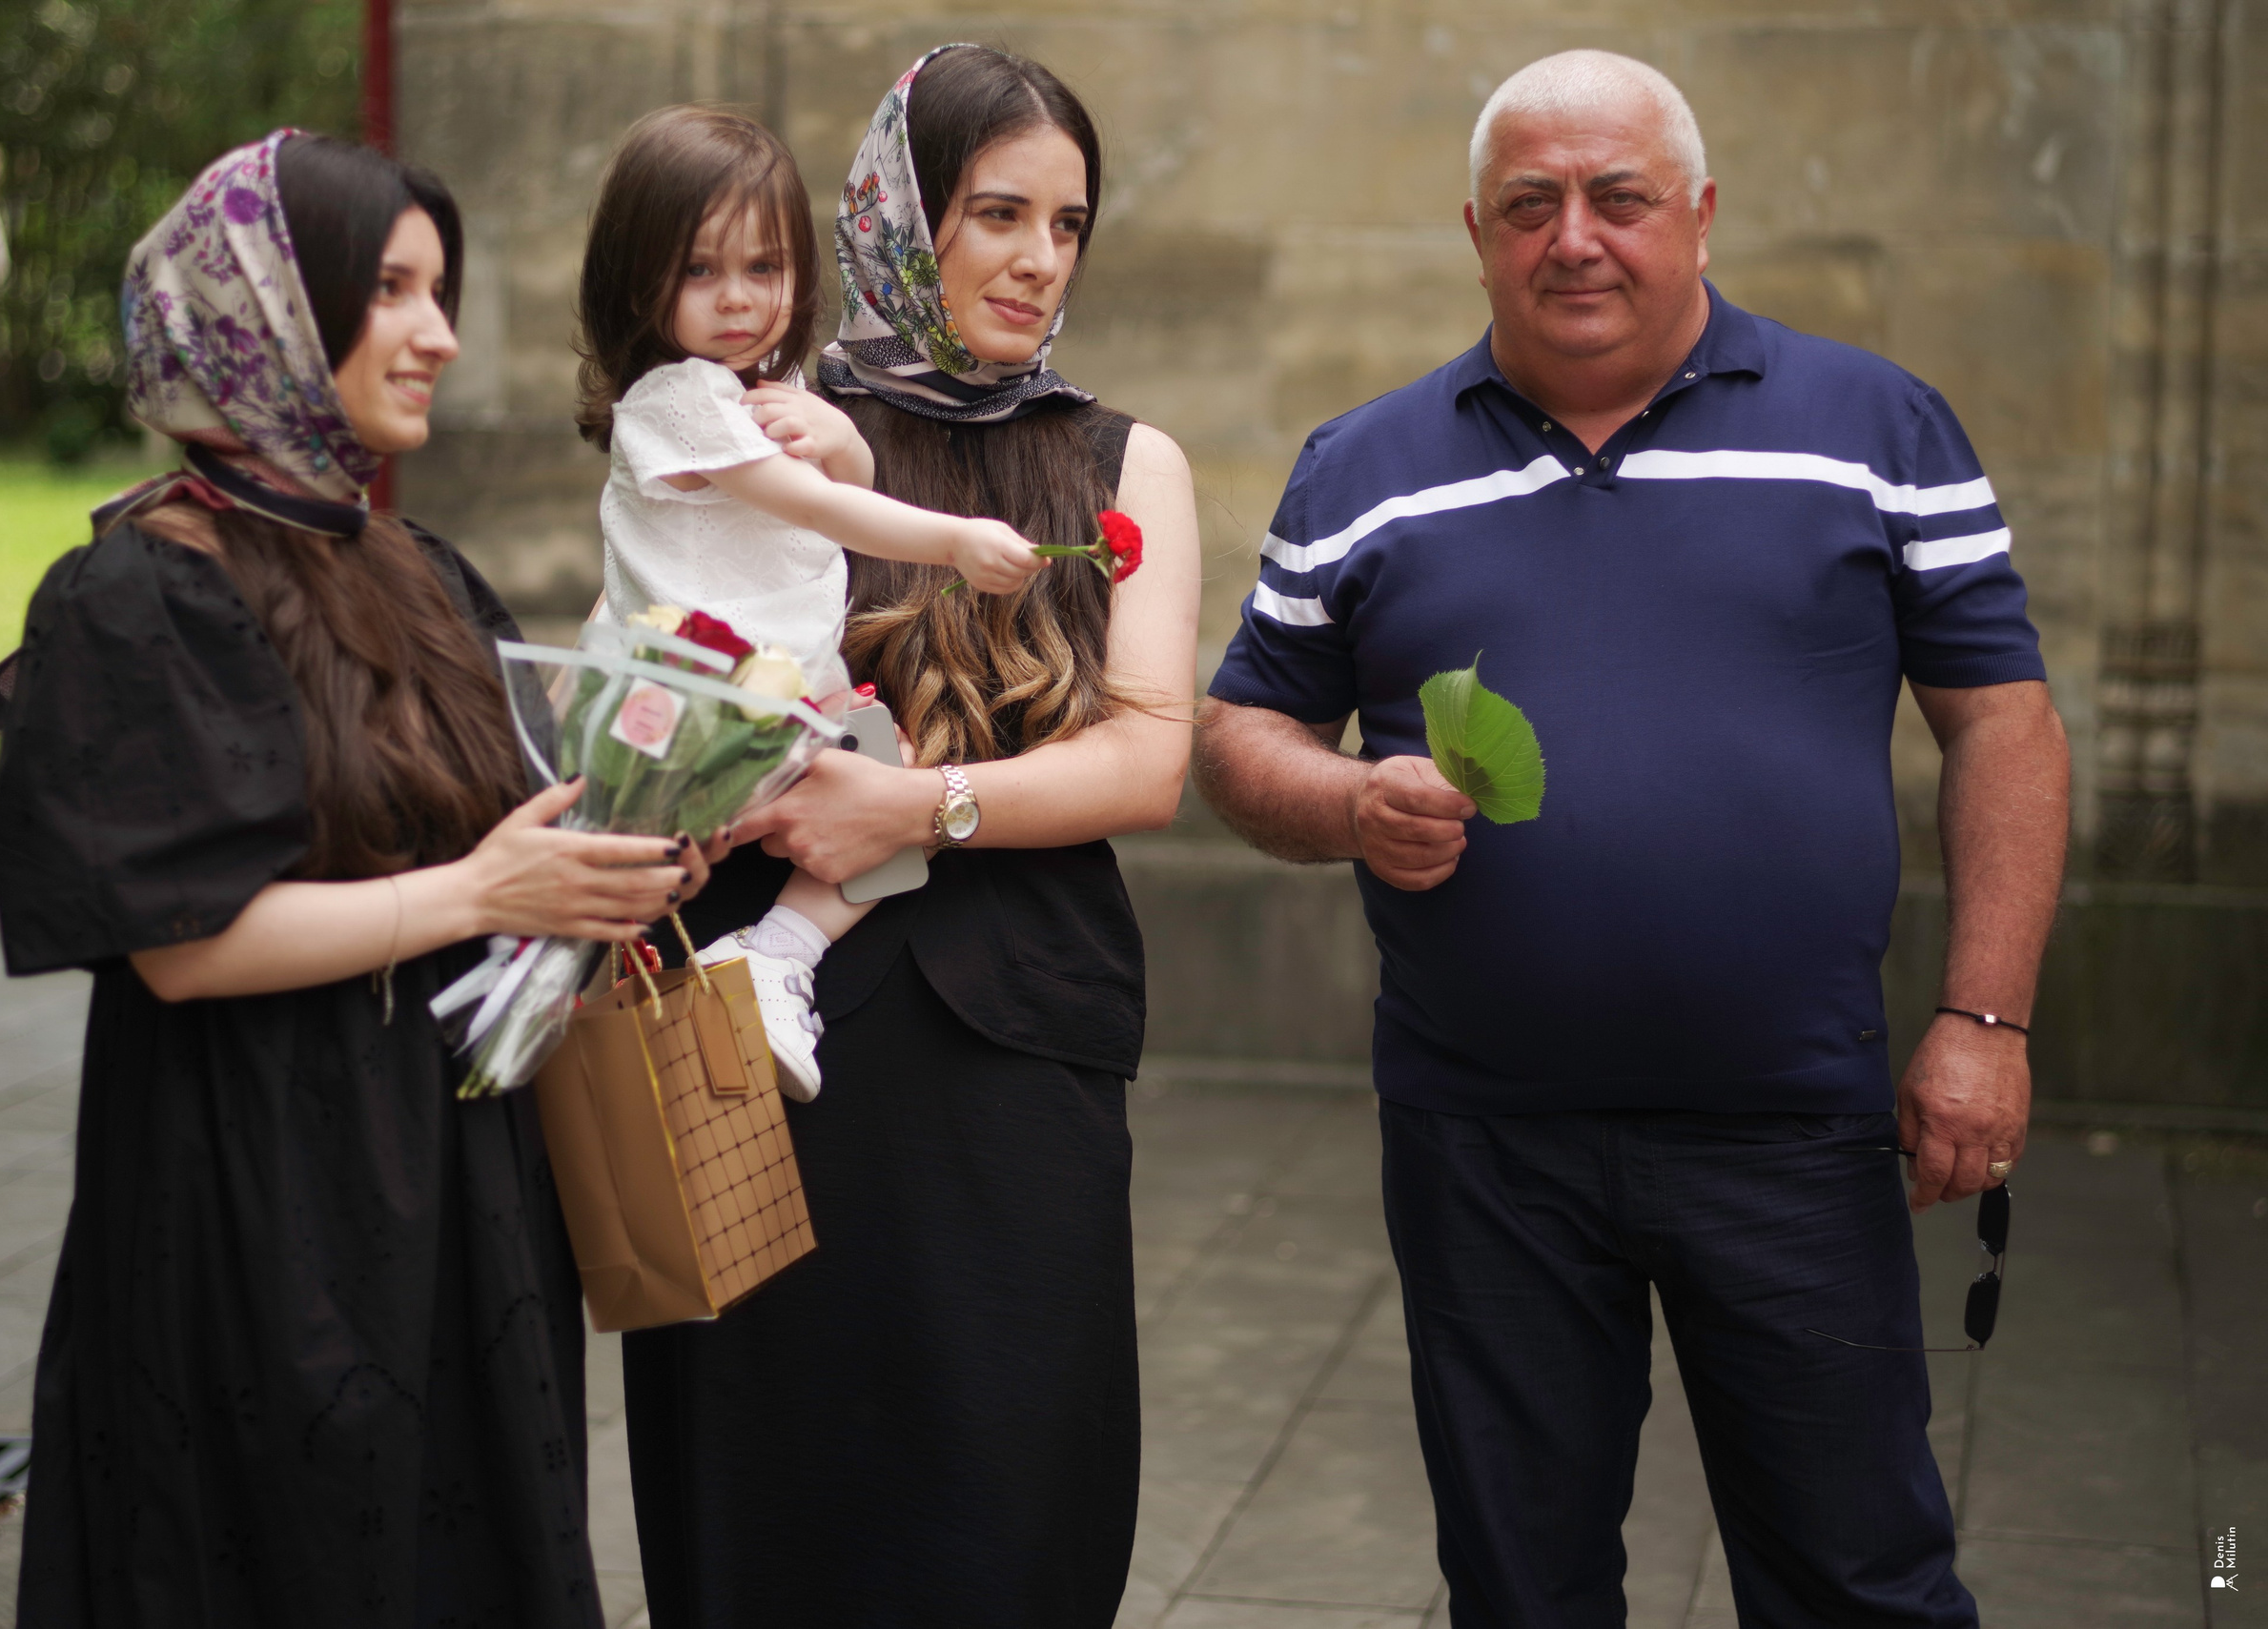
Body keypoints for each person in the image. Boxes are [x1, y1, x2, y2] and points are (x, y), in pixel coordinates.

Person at [1194, 51, 2069, 1629]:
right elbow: (1239, 731)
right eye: (1531, 204)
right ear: (1477, 231)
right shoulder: (1361, 470)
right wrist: (1342, 800)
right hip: (1484, 1141)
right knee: (1522, 1585)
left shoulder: (1874, 426)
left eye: (1620, 197)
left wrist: (1983, 1016)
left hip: (1791, 1127)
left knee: (1858, 1570)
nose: (1574, 237)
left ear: (1703, 215)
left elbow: (2003, 720)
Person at [0, 131, 717, 1628]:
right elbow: (181, 946)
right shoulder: (146, 587)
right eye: (388, 288)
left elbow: (509, 840)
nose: (438, 333)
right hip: (258, 1194)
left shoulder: (417, 570)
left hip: (457, 1196)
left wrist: (634, 843)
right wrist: (485, 895)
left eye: (438, 290)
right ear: (263, 300)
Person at [618, 45, 1200, 1629]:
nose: (1037, 256)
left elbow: (1151, 754)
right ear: (897, 214)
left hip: (1017, 1042)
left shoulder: (1122, 462)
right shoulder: (767, 422)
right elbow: (661, 646)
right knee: (754, 1482)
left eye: (1069, 222)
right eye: (996, 210)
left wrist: (921, 799)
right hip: (754, 1018)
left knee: (1011, 1492)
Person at [570, 103, 1049, 1101]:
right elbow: (821, 507)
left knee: (901, 795)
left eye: (766, 269)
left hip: (773, 705)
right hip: (711, 712)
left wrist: (840, 440)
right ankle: (766, 955)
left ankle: (776, 957)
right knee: (899, 789)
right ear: (636, 278)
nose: (739, 299)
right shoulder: (675, 403)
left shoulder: (760, 389)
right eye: (700, 272)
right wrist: (952, 538)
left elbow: (833, 484)